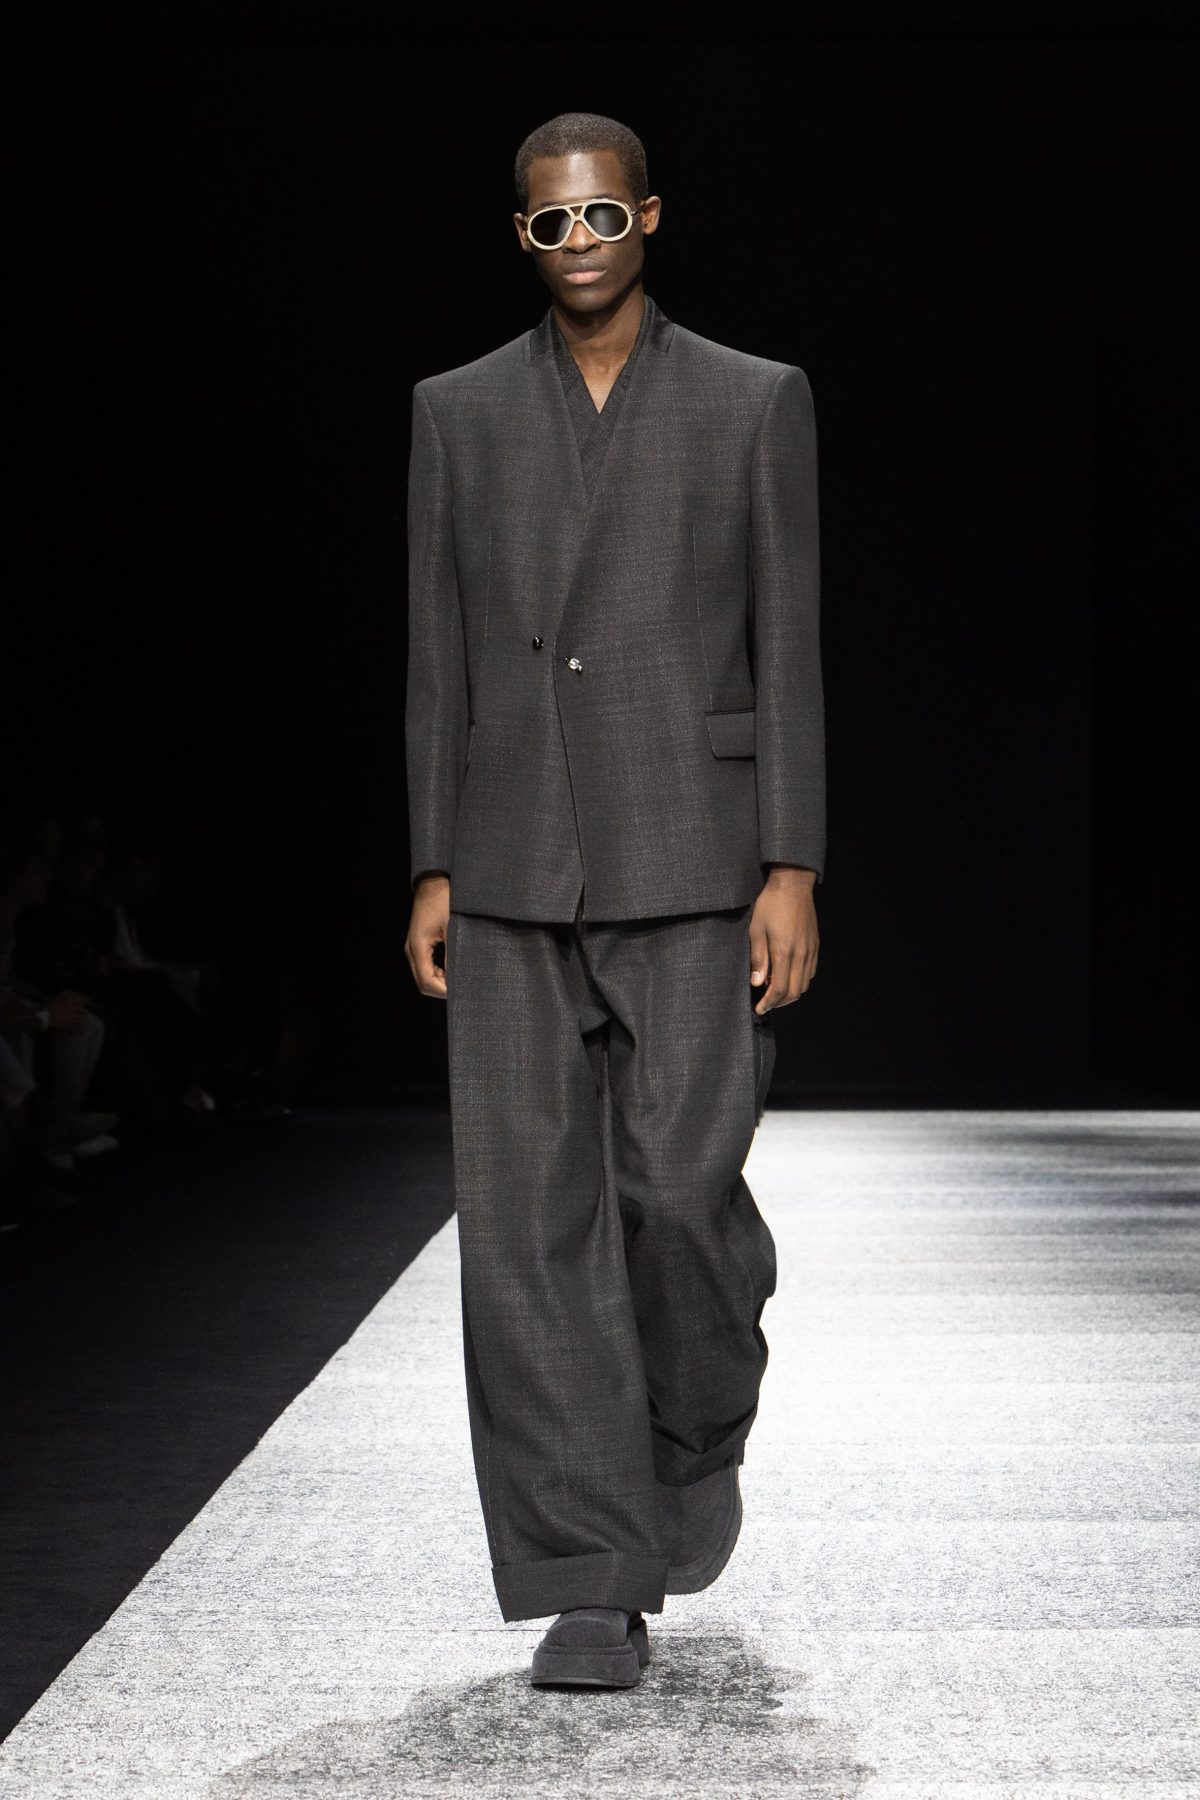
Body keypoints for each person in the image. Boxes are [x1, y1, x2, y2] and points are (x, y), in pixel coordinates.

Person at [404, 111, 824, 1690]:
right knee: (526, 1230)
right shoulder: (457, 411)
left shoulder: (751, 399)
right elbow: (435, 657)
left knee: (680, 1196)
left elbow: (790, 641)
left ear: (648, 216)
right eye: (549, 224)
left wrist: (792, 864)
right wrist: (433, 861)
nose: (577, 243)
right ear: (522, 236)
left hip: (694, 847)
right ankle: (590, 1574)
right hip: (510, 854)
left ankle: (695, 1425)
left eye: (599, 216)